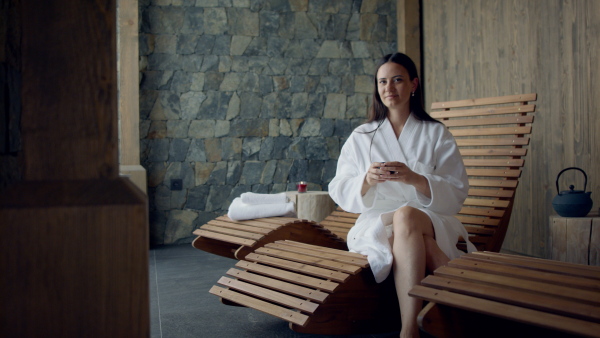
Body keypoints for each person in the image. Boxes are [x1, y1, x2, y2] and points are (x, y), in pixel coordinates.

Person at [328, 53, 476, 338]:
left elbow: (457, 189)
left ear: (413, 84)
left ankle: (408, 329)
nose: (389, 88)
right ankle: (462, 304)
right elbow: (339, 186)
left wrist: (415, 179)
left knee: (406, 215)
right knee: (404, 229)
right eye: (382, 81)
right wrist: (366, 181)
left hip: (430, 217)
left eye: (397, 80)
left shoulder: (436, 133)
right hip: (378, 222)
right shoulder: (362, 136)